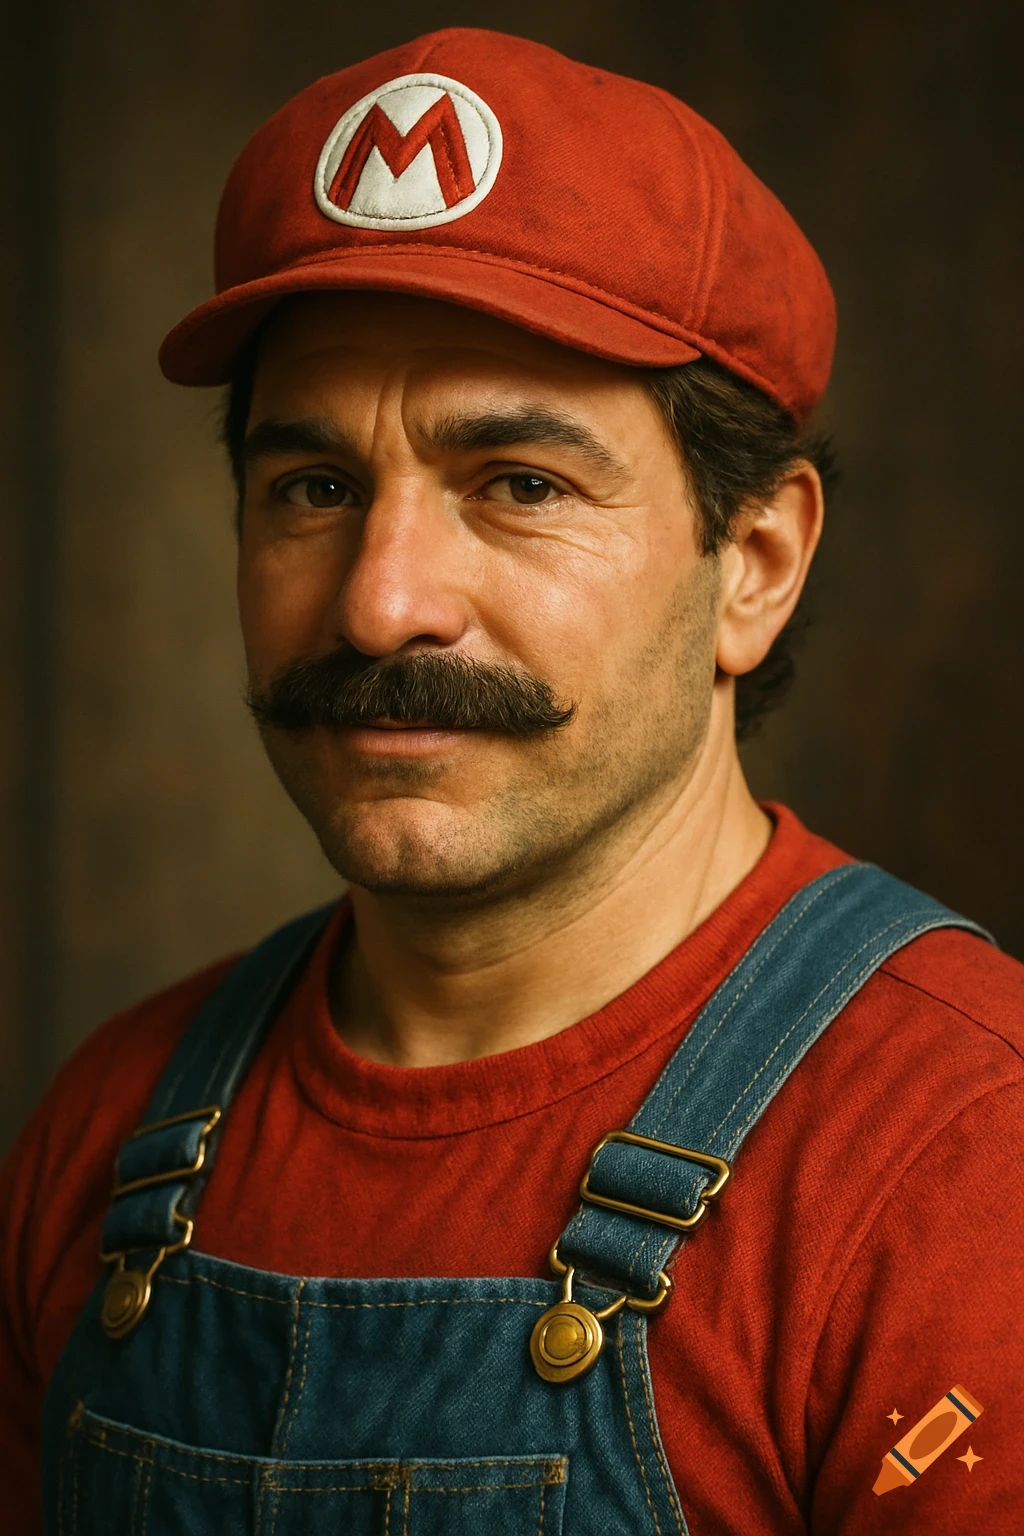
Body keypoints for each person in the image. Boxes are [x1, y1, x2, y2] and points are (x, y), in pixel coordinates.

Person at [1, 26, 1021, 1536]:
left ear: (755, 564)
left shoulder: (961, 1161)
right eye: (315, 488)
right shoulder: (108, 1121)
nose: (379, 602)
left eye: (520, 486)